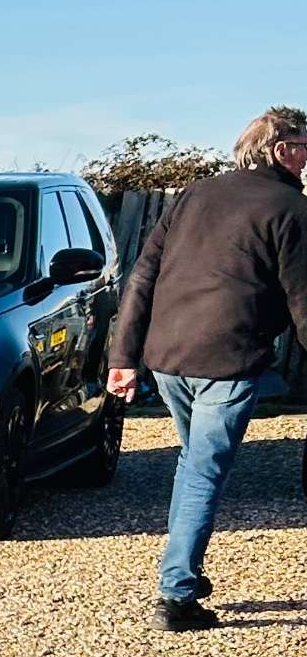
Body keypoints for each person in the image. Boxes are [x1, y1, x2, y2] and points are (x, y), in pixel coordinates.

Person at [106, 107, 307, 630]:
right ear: (281, 148)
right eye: (304, 144)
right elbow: (302, 296)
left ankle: (186, 575)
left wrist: (123, 357)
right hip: (228, 357)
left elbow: (141, 278)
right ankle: (175, 594)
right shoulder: (290, 206)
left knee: (193, 463)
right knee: (203, 470)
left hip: (168, 356)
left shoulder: (196, 194)